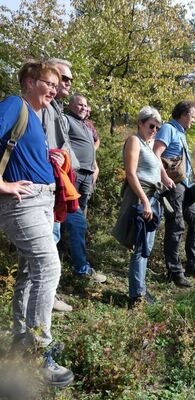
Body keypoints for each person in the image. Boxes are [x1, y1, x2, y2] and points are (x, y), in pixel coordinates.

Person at [0, 60, 74, 387]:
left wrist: (50, 158)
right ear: (30, 81)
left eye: (58, 86)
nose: (55, 91)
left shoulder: (34, 117)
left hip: (41, 202)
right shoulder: (15, 104)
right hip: (23, 203)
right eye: (50, 84)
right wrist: (1, 185)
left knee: (30, 272)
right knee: (49, 266)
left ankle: (20, 339)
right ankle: (39, 354)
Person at [153, 100, 195, 287]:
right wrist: (164, 178)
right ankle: (174, 271)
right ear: (184, 114)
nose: (193, 120)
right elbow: (156, 153)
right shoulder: (168, 129)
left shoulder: (181, 133)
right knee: (176, 225)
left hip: (185, 185)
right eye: (192, 116)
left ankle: (193, 263)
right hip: (173, 185)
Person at [43, 58, 77, 312]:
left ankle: (49, 296)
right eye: (63, 78)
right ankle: (46, 299)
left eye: (69, 80)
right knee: (48, 242)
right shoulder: (44, 107)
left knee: (55, 237)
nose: (67, 83)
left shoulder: (57, 107)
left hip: (59, 185)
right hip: (46, 185)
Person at [119, 106, 162, 306]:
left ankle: (141, 289)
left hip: (152, 198)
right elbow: (131, 173)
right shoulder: (134, 141)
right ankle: (136, 295)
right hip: (140, 198)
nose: (154, 130)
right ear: (140, 123)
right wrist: (144, 201)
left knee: (147, 245)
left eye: (157, 127)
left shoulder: (148, 144)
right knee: (140, 246)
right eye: (151, 126)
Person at [63, 94, 106, 282]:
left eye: (85, 105)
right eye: (79, 104)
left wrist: (94, 166)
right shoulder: (66, 120)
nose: (83, 107)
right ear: (71, 105)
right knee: (75, 219)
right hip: (74, 174)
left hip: (88, 176)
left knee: (78, 218)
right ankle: (79, 267)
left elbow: (92, 146)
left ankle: (70, 254)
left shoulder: (87, 126)